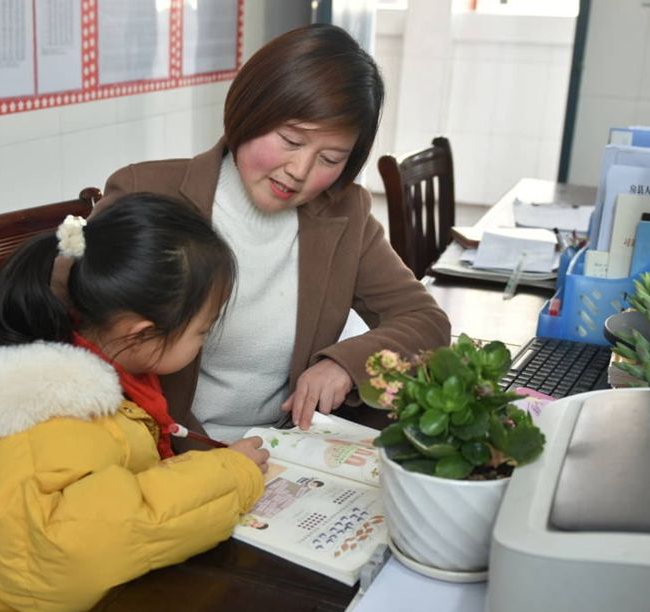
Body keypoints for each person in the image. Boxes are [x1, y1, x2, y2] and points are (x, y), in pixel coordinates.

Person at [0, 193, 269, 612]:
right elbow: (64, 557)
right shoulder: (56, 419)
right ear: (140, 333)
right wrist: (231, 476)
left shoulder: (83, 366)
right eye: (203, 331)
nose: (204, 342)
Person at [92, 24, 451, 445]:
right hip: (166, 455)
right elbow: (64, 327)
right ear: (250, 111)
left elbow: (424, 320)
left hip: (284, 451)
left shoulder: (344, 213)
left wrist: (343, 364)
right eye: (290, 139)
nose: (299, 171)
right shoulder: (148, 192)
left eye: (330, 158)